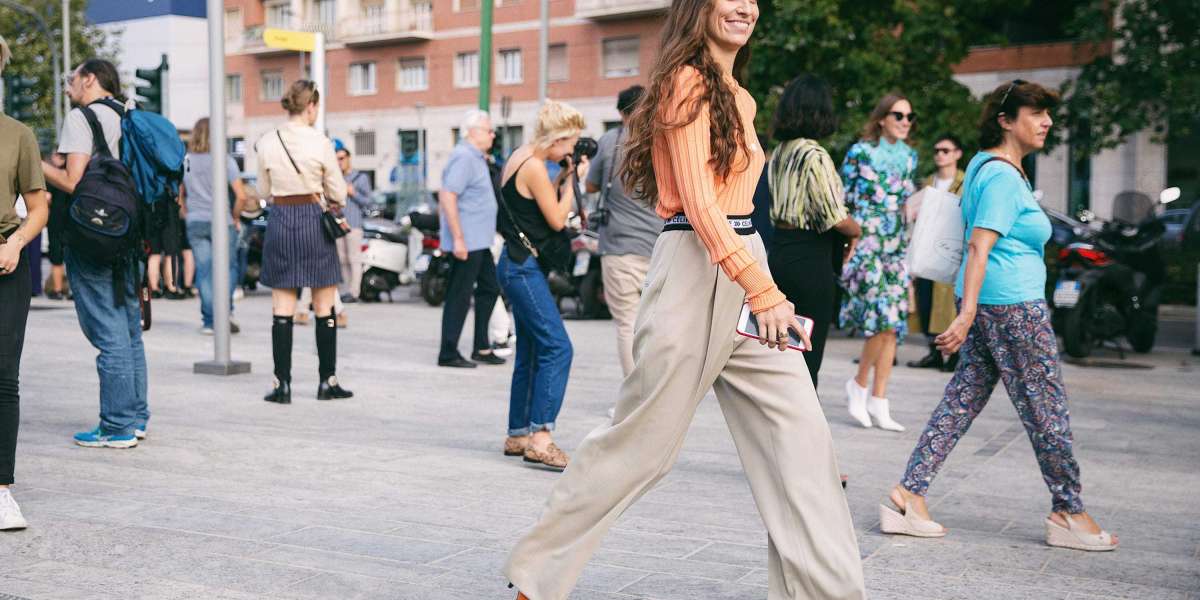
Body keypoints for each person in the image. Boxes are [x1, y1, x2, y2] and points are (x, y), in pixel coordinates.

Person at [504, 1, 865, 598]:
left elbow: (741, 213)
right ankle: (535, 580)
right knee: (641, 446)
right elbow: (700, 205)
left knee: (803, 445)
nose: (745, 6)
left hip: (745, 269)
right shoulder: (684, 83)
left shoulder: (740, 96)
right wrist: (766, 290)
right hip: (696, 274)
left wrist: (759, 282)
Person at [883, 80, 1118, 553]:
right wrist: (966, 313)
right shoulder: (1003, 177)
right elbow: (978, 245)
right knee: (1047, 410)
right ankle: (1068, 509)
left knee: (962, 401)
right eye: (1036, 113)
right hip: (1014, 309)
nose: (1047, 122)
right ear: (1006, 120)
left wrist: (974, 313)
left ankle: (909, 494)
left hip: (999, 306)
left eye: (1048, 114)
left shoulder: (989, 170)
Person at [41, 58, 150, 448]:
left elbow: (73, 181)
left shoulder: (82, 118)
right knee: (129, 328)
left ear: (90, 79)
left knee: (108, 331)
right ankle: (136, 418)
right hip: (130, 232)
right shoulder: (131, 116)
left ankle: (117, 426)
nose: (68, 85)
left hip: (94, 235)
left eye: (72, 78)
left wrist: (35, 163)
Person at [494, 101, 586, 470]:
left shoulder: (519, 156)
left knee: (531, 351)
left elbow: (532, 206)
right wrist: (574, 179)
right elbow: (557, 218)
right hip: (523, 269)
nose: (569, 151)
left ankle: (518, 432)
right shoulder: (533, 166)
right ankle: (541, 438)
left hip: (512, 262)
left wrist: (563, 177)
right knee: (558, 347)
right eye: (569, 143)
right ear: (558, 137)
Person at [256, 80, 353, 404]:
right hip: (313, 220)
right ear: (310, 106)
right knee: (324, 304)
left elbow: (262, 189)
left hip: (281, 221)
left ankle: (281, 385)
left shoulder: (268, 141)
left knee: (282, 308)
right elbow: (338, 191)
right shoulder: (320, 142)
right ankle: (328, 381)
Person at [766, 73, 862, 389]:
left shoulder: (778, 152)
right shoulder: (814, 154)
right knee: (808, 354)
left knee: (780, 350)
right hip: (810, 258)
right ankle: (803, 430)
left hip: (779, 251)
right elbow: (833, 216)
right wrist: (856, 230)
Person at [839, 92, 918, 433]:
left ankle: (878, 399)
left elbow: (905, 201)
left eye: (909, 117)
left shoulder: (910, 157)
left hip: (896, 243)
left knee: (893, 324)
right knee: (881, 318)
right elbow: (841, 197)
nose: (904, 122)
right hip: (867, 241)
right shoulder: (860, 153)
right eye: (898, 115)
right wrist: (847, 241)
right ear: (882, 117)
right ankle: (859, 385)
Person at [0, 34, 50, 529]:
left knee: (2, 378)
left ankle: (1, 489)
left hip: (4, 264)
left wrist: (15, 244)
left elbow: (38, 208)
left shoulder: (17, 135)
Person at [584, 85, 662, 378]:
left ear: (621, 112)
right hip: (661, 248)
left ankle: (633, 398)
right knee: (656, 325)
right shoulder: (663, 140)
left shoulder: (610, 140)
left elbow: (591, 186)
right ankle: (657, 392)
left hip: (619, 250)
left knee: (628, 324)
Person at [437, 109, 503, 368]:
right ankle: (448, 352)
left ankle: (482, 347)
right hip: (467, 241)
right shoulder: (464, 157)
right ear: (473, 133)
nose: (492, 134)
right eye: (488, 130)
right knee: (459, 295)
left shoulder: (477, 157)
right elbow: (448, 195)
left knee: (489, 288)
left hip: (480, 240)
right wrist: (459, 239)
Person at [180, 117, 246, 335]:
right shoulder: (225, 160)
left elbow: (180, 195)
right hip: (221, 221)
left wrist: (187, 213)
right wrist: (235, 217)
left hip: (196, 221)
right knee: (227, 268)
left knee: (205, 270)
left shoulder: (187, 160)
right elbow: (241, 196)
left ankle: (209, 321)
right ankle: (225, 312)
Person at [907, 134, 965, 372]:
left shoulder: (964, 182)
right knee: (926, 301)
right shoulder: (928, 182)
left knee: (948, 304)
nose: (940, 155)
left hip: (951, 249)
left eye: (946, 150)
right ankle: (933, 351)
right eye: (937, 150)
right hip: (926, 247)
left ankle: (953, 355)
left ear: (957, 153)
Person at [334, 140, 371, 303]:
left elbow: (368, 202)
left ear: (349, 158)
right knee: (342, 259)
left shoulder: (360, 178)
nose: (339, 162)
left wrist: (352, 192)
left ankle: (354, 292)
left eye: (342, 158)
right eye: (337, 159)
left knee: (354, 258)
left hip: (354, 224)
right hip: (338, 224)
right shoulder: (334, 178)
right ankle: (346, 290)